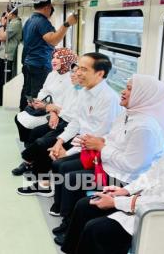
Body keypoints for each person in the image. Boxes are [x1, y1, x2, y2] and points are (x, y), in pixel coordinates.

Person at [61, 99, 164, 254]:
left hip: (163, 218)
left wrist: (116, 202)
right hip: (146, 201)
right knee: (86, 205)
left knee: (97, 229)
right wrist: (124, 191)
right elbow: (153, 174)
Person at [51, 74, 164, 245]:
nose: (123, 92)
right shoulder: (128, 115)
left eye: (130, 89)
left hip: (121, 179)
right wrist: (100, 141)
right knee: (67, 174)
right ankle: (69, 223)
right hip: (107, 168)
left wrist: (101, 147)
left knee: (74, 184)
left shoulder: (145, 128)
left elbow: (132, 165)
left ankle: (71, 228)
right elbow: (112, 137)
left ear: (142, 95)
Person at [17, 52, 122, 196]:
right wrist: (60, 141)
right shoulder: (85, 91)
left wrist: (66, 152)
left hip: (93, 146)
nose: (77, 73)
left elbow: (95, 135)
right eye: (76, 69)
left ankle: (41, 178)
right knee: (43, 140)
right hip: (73, 130)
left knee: (46, 146)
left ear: (99, 74)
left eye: (83, 69)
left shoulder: (108, 99)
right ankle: (39, 177)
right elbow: (77, 121)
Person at [20, 0, 78, 111]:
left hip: (28, 62)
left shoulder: (29, 20)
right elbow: (53, 40)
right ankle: (32, 118)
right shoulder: (42, 22)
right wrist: (67, 24)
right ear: (47, 7)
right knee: (37, 95)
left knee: (27, 92)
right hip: (39, 64)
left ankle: (24, 114)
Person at [14, 48, 78, 145]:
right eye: (53, 57)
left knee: (33, 128)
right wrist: (37, 100)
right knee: (18, 117)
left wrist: (50, 110)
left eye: (58, 58)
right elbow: (43, 91)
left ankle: (30, 146)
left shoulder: (71, 79)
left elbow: (63, 105)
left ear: (67, 60)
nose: (53, 60)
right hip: (46, 106)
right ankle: (27, 144)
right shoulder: (52, 74)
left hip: (58, 113)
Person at [0, 4, 23, 106]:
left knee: (5, 79)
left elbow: (3, 36)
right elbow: (1, 36)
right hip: (3, 53)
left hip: (8, 55)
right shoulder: (11, 23)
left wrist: (2, 24)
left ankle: (2, 100)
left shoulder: (15, 23)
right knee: (1, 77)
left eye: (6, 13)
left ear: (10, 13)